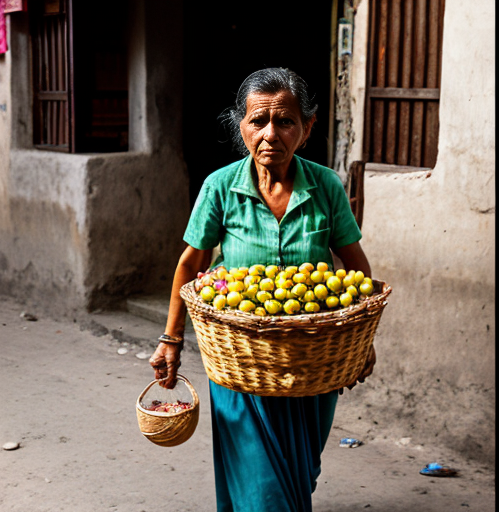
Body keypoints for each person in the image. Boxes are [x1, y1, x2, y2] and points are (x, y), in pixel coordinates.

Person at [149, 67, 375, 512]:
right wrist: (170, 340)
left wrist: (362, 339)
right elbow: (190, 265)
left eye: (286, 121)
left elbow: (357, 267)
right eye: (258, 121)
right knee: (262, 488)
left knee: (298, 472)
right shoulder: (221, 187)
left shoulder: (327, 186)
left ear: (307, 128)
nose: (271, 133)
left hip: (311, 364)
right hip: (240, 362)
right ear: (242, 127)